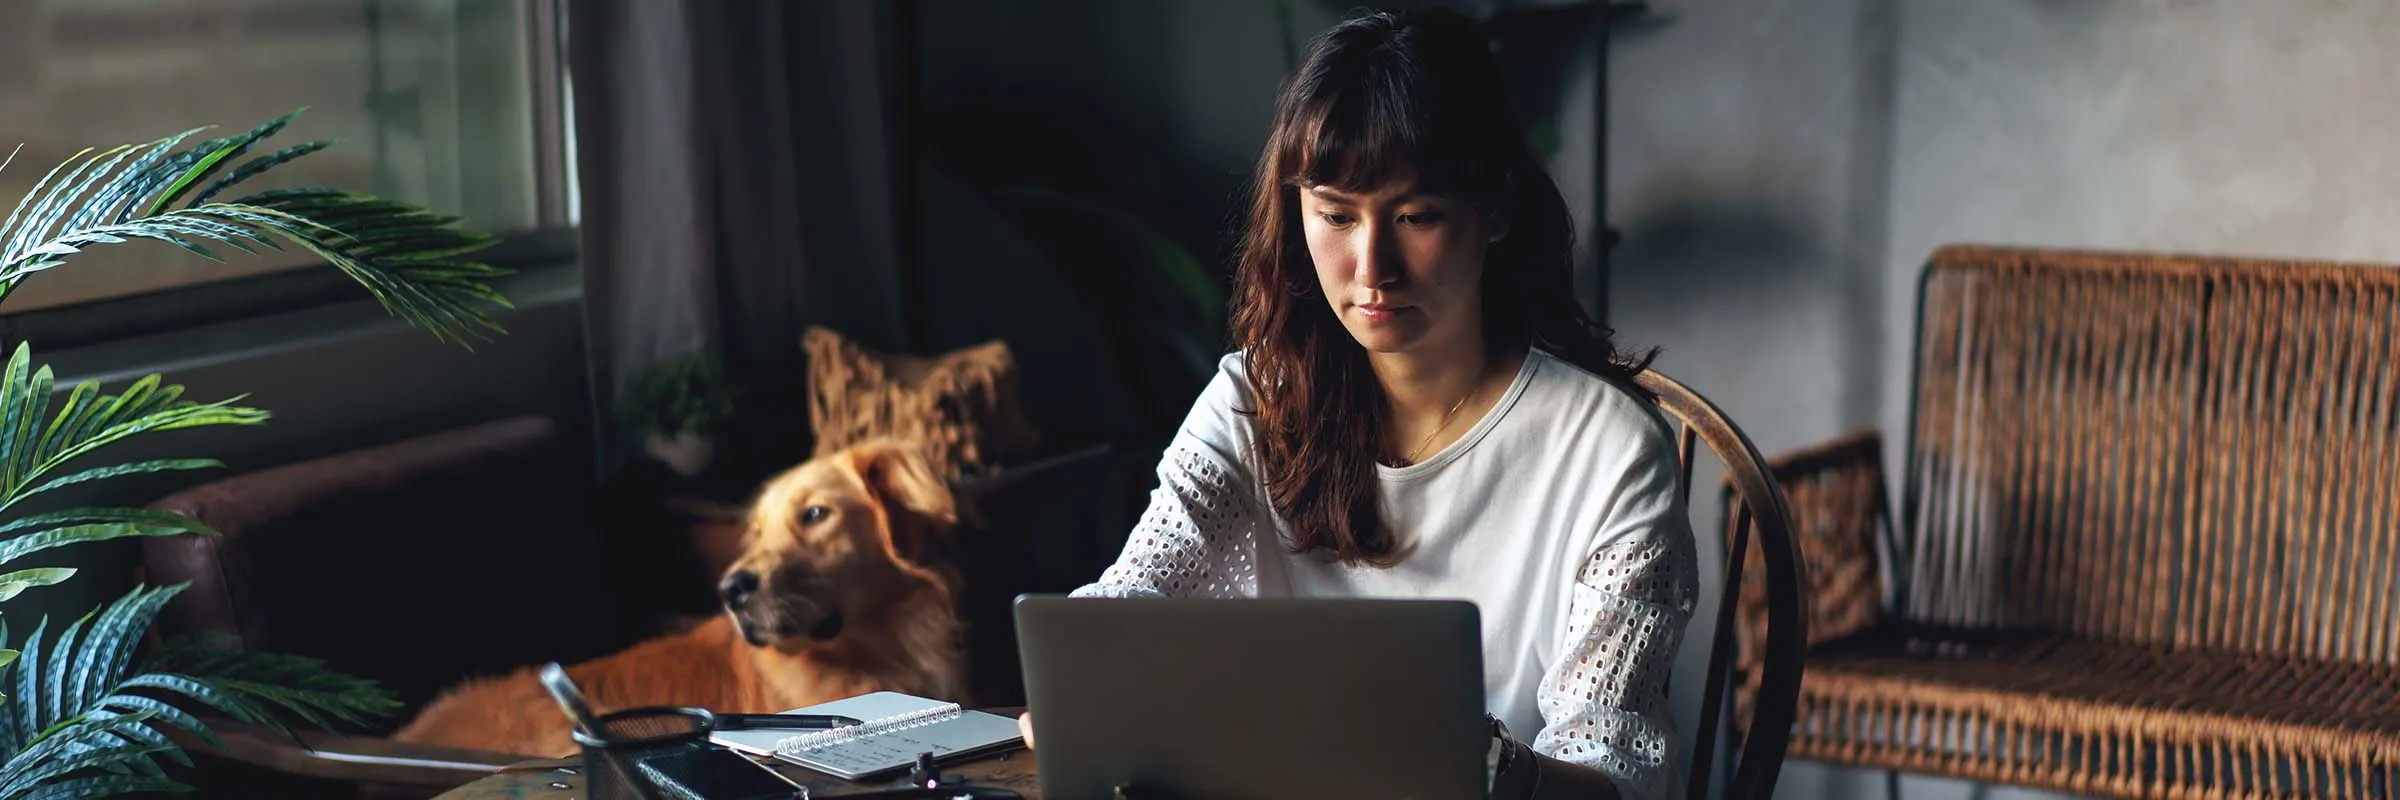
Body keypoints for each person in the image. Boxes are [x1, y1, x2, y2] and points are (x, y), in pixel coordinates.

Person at [1017, 8, 1696, 799]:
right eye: (1337, 215)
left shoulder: (1610, 452)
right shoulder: (1257, 398)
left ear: (1498, 209)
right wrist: (1083, 675)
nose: (1372, 268)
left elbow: (1610, 778)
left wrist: (1474, 759)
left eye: (1416, 217)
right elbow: (1138, 590)